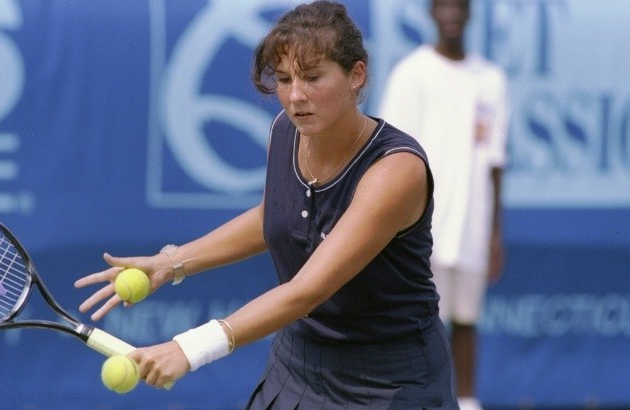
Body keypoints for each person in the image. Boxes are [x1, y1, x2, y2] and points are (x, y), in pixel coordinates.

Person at [75, 1, 458, 408]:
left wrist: (190, 347)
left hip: (390, 380)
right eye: (283, 78)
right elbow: (275, 216)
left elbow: (307, 291)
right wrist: (172, 263)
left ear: (356, 75)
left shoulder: (396, 171)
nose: (295, 96)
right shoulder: (286, 131)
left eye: (312, 77)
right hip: (299, 362)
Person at [378, 0, 509, 409]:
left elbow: (495, 163)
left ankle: (467, 402)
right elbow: (390, 157)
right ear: (432, 12)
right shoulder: (410, 75)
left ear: (470, 13)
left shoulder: (491, 79)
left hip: (472, 222)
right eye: (444, 5)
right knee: (417, 322)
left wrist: (493, 232)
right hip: (418, 225)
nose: (452, 12)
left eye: (460, 5)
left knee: (465, 319)